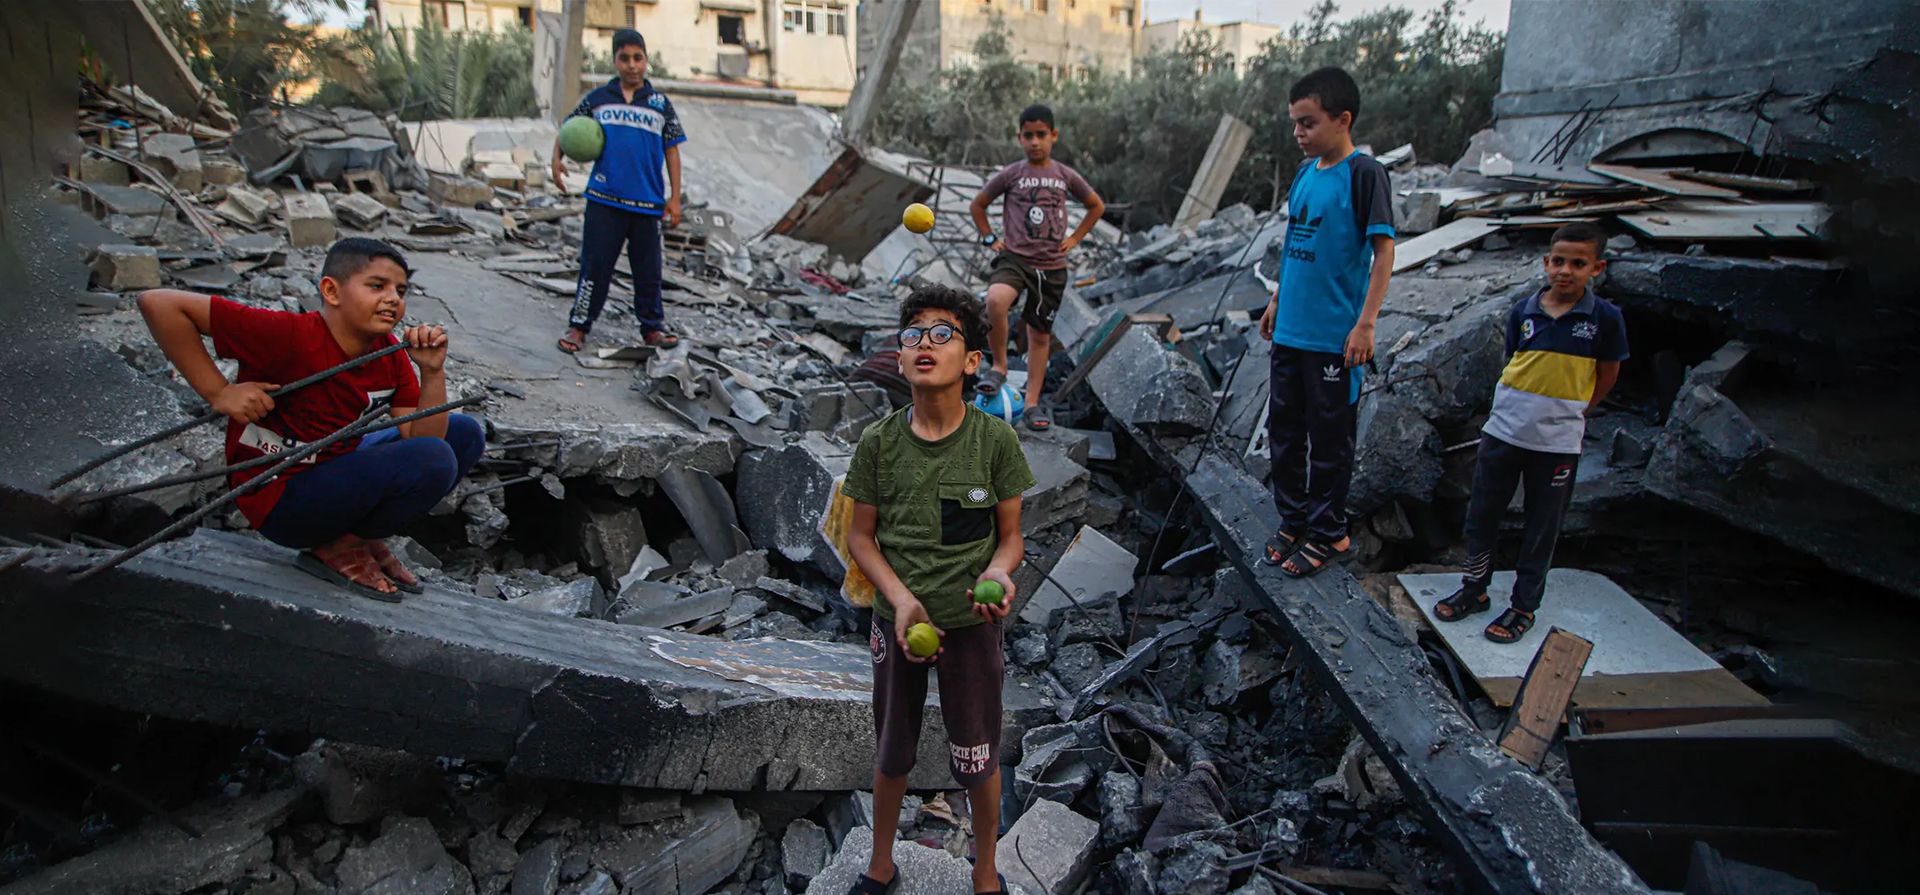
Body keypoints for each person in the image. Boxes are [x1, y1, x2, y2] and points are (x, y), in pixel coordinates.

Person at [136, 238, 482, 601]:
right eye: (377, 286)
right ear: (332, 291)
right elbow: (160, 303)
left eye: (401, 289)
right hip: (280, 495)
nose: (393, 298)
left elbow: (422, 437)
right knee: (434, 456)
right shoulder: (289, 335)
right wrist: (219, 391)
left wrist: (431, 373)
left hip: (332, 472)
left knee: (463, 434)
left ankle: (356, 540)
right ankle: (337, 547)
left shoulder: (389, 356)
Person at [840, 285, 1034, 895]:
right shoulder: (878, 444)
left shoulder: (995, 441)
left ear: (972, 360)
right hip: (895, 622)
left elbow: (1011, 539)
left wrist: (1000, 574)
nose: (925, 343)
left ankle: (983, 873)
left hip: (972, 626)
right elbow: (861, 537)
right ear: (900, 358)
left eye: (943, 334)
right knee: (892, 748)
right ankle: (879, 864)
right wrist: (899, 600)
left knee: (977, 756)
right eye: (913, 334)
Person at [1433, 222, 1628, 643]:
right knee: (1482, 515)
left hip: (1556, 444)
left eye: (1578, 264)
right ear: (1545, 263)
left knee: (1542, 526)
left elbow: (1609, 373)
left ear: (1597, 268)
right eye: (1558, 261)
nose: (1565, 271)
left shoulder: (1605, 319)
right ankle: (1474, 587)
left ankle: (1523, 605)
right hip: (1503, 433)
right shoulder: (1524, 311)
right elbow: (1514, 361)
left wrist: (1576, 409)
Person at [1258, 67, 1396, 578]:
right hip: (1291, 330)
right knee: (1286, 433)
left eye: (1308, 123)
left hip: (1335, 340)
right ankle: (1293, 520)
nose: (1299, 133)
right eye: (1295, 124)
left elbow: (1383, 252)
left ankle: (1329, 533)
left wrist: (1366, 324)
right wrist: (1277, 300)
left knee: (1330, 440)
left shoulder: (1365, 174)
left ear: (1343, 119)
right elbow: (1296, 246)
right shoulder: (1304, 174)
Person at [969, 103, 1106, 432]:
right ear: (1019, 138)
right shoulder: (1012, 174)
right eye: (1028, 135)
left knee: (1039, 336)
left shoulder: (1064, 175)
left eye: (1041, 135)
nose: (1034, 142)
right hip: (1015, 258)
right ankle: (1000, 366)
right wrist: (989, 238)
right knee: (996, 300)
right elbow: (979, 204)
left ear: (1053, 136)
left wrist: (1075, 238)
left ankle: (1031, 403)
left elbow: (1095, 205)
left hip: (1052, 268)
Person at [552, 28, 685, 354]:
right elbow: (569, 129)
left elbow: (672, 151)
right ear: (614, 60)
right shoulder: (599, 99)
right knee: (594, 267)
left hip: (647, 203)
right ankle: (579, 326)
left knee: (648, 272)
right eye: (624, 58)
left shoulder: (660, 104)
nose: (631, 65)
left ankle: (652, 329)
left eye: (637, 58)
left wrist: (675, 198)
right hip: (604, 201)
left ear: (646, 60)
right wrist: (556, 160)